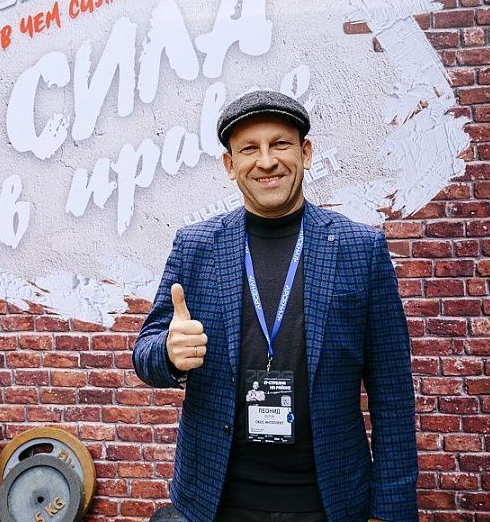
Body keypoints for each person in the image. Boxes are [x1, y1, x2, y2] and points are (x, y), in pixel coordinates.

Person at [133, 90, 418, 522]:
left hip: (329, 503)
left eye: (280, 144)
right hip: (214, 501)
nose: (266, 161)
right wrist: (168, 354)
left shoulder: (361, 249)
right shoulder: (195, 246)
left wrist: (391, 511)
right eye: (249, 149)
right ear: (230, 165)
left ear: (306, 152)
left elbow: (392, 391)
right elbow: (144, 354)